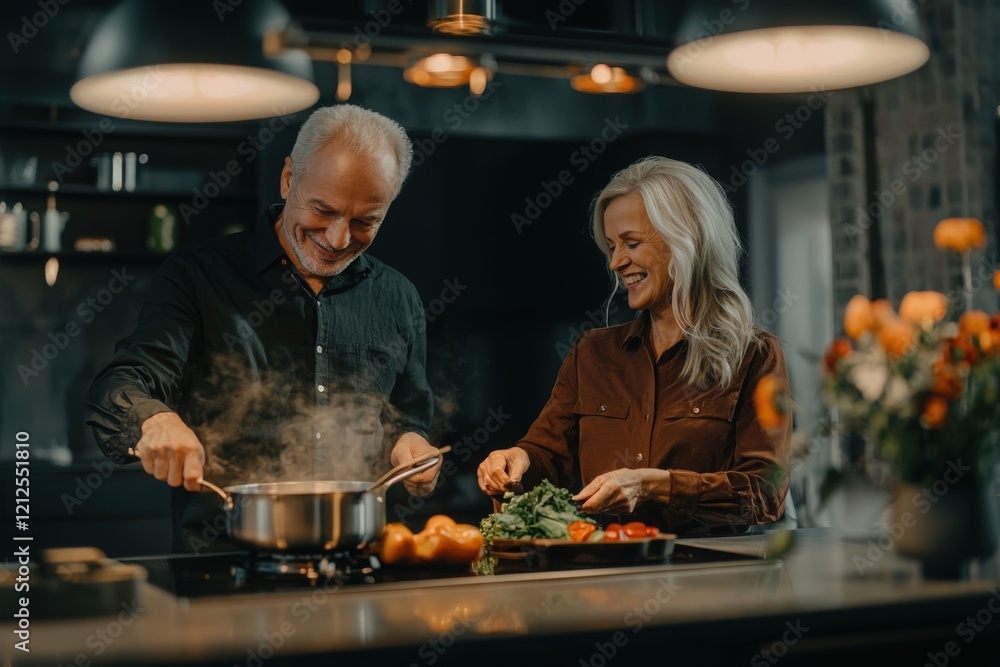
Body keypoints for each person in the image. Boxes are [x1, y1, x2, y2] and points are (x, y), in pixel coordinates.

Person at [85, 104, 442, 552]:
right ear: (289, 179)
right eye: (323, 210)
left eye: (365, 221)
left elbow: (408, 411)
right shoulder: (198, 274)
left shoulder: (398, 296)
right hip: (221, 563)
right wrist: (155, 420)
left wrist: (411, 442)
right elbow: (121, 382)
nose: (337, 239)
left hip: (356, 561)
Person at [477, 156, 791, 535]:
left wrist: (652, 485)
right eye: (611, 246)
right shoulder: (591, 354)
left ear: (685, 239)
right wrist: (516, 459)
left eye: (631, 243)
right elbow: (546, 455)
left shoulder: (755, 355)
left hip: (709, 578)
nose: (616, 262)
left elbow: (764, 494)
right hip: (605, 579)